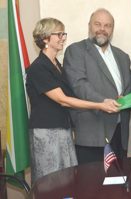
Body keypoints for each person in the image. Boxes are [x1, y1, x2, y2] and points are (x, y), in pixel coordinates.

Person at [26, 17, 120, 183]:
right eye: (59, 34)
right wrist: (100, 104)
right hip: (47, 132)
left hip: (63, 130)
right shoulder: (39, 67)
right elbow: (64, 100)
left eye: (64, 34)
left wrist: (113, 98)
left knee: (67, 179)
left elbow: (74, 94)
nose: (63, 37)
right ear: (45, 38)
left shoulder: (56, 64)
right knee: (50, 182)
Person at [63, 8, 131, 164]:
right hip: (92, 132)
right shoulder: (76, 50)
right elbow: (79, 85)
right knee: (91, 185)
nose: (102, 29)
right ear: (89, 25)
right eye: (98, 24)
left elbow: (129, 86)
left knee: (118, 183)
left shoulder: (122, 56)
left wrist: (128, 98)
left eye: (107, 25)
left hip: (120, 133)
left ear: (112, 29)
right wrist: (104, 102)